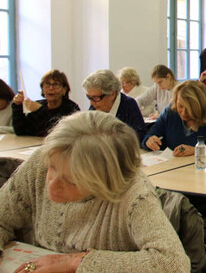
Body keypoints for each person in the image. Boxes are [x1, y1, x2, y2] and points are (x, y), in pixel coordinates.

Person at [0, 111, 190, 272]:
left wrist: (75, 262)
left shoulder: (132, 192)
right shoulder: (43, 161)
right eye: (52, 169)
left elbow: (173, 264)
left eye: (72, 182)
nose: (51, 187)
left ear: (105, 182)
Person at [142, 81, 206, 156]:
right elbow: (150, 136)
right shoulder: (170, 111)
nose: (184, 113)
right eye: (180, 106)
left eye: (190, 108)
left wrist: (197, 150)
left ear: (200, 106)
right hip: (171, 165)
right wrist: (149, 141)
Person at [12, 70, 80, 136]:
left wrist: (40, 110)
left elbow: (57, 132)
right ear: (42, 89)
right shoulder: (38, 104)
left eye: (55, 84)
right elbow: (21, 131)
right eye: (47, 84)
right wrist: (18, 106)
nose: (51, 88)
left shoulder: (72, 108)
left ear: (64, 89)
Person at [82, 69, 146, 141]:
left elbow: (139, 136)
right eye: (89, 97)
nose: (91, 103)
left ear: (112, 94)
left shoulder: (129, 104)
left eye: (95, 97)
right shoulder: (95, 105)